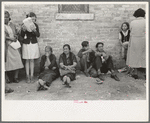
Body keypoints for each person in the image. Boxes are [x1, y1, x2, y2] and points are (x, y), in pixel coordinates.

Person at [20, 12, 40, 83]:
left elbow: (38, 35)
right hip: (26, 43)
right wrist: (24, 30)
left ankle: (32, 76)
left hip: (33, 43)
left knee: (32, 60)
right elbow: (21, 35)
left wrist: (34, 30)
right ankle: (27, 76)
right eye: (32, 19)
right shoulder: (24, 25)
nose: (33, 21)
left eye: (34, 19)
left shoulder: (35, 25)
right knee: (27, 60)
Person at [126, 8, 146, 79]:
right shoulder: (146, 22)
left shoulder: (132, 22)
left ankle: (135, 73)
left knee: (135, 56)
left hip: (134, 40)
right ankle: (145, 73)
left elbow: (131, 32)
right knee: (144, 56)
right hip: (144, 41)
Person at [5, 11, 24, 83]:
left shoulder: (12, 24)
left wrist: (16, 36)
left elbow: (16, 33)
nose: (5, 19)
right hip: (6, 46)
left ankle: (16, 77)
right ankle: (7, 77)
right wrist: (9, 38)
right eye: (4, 17)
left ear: (9, 17)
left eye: (7, 17)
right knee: (6, 61)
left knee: (17, 59)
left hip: (14, 45)